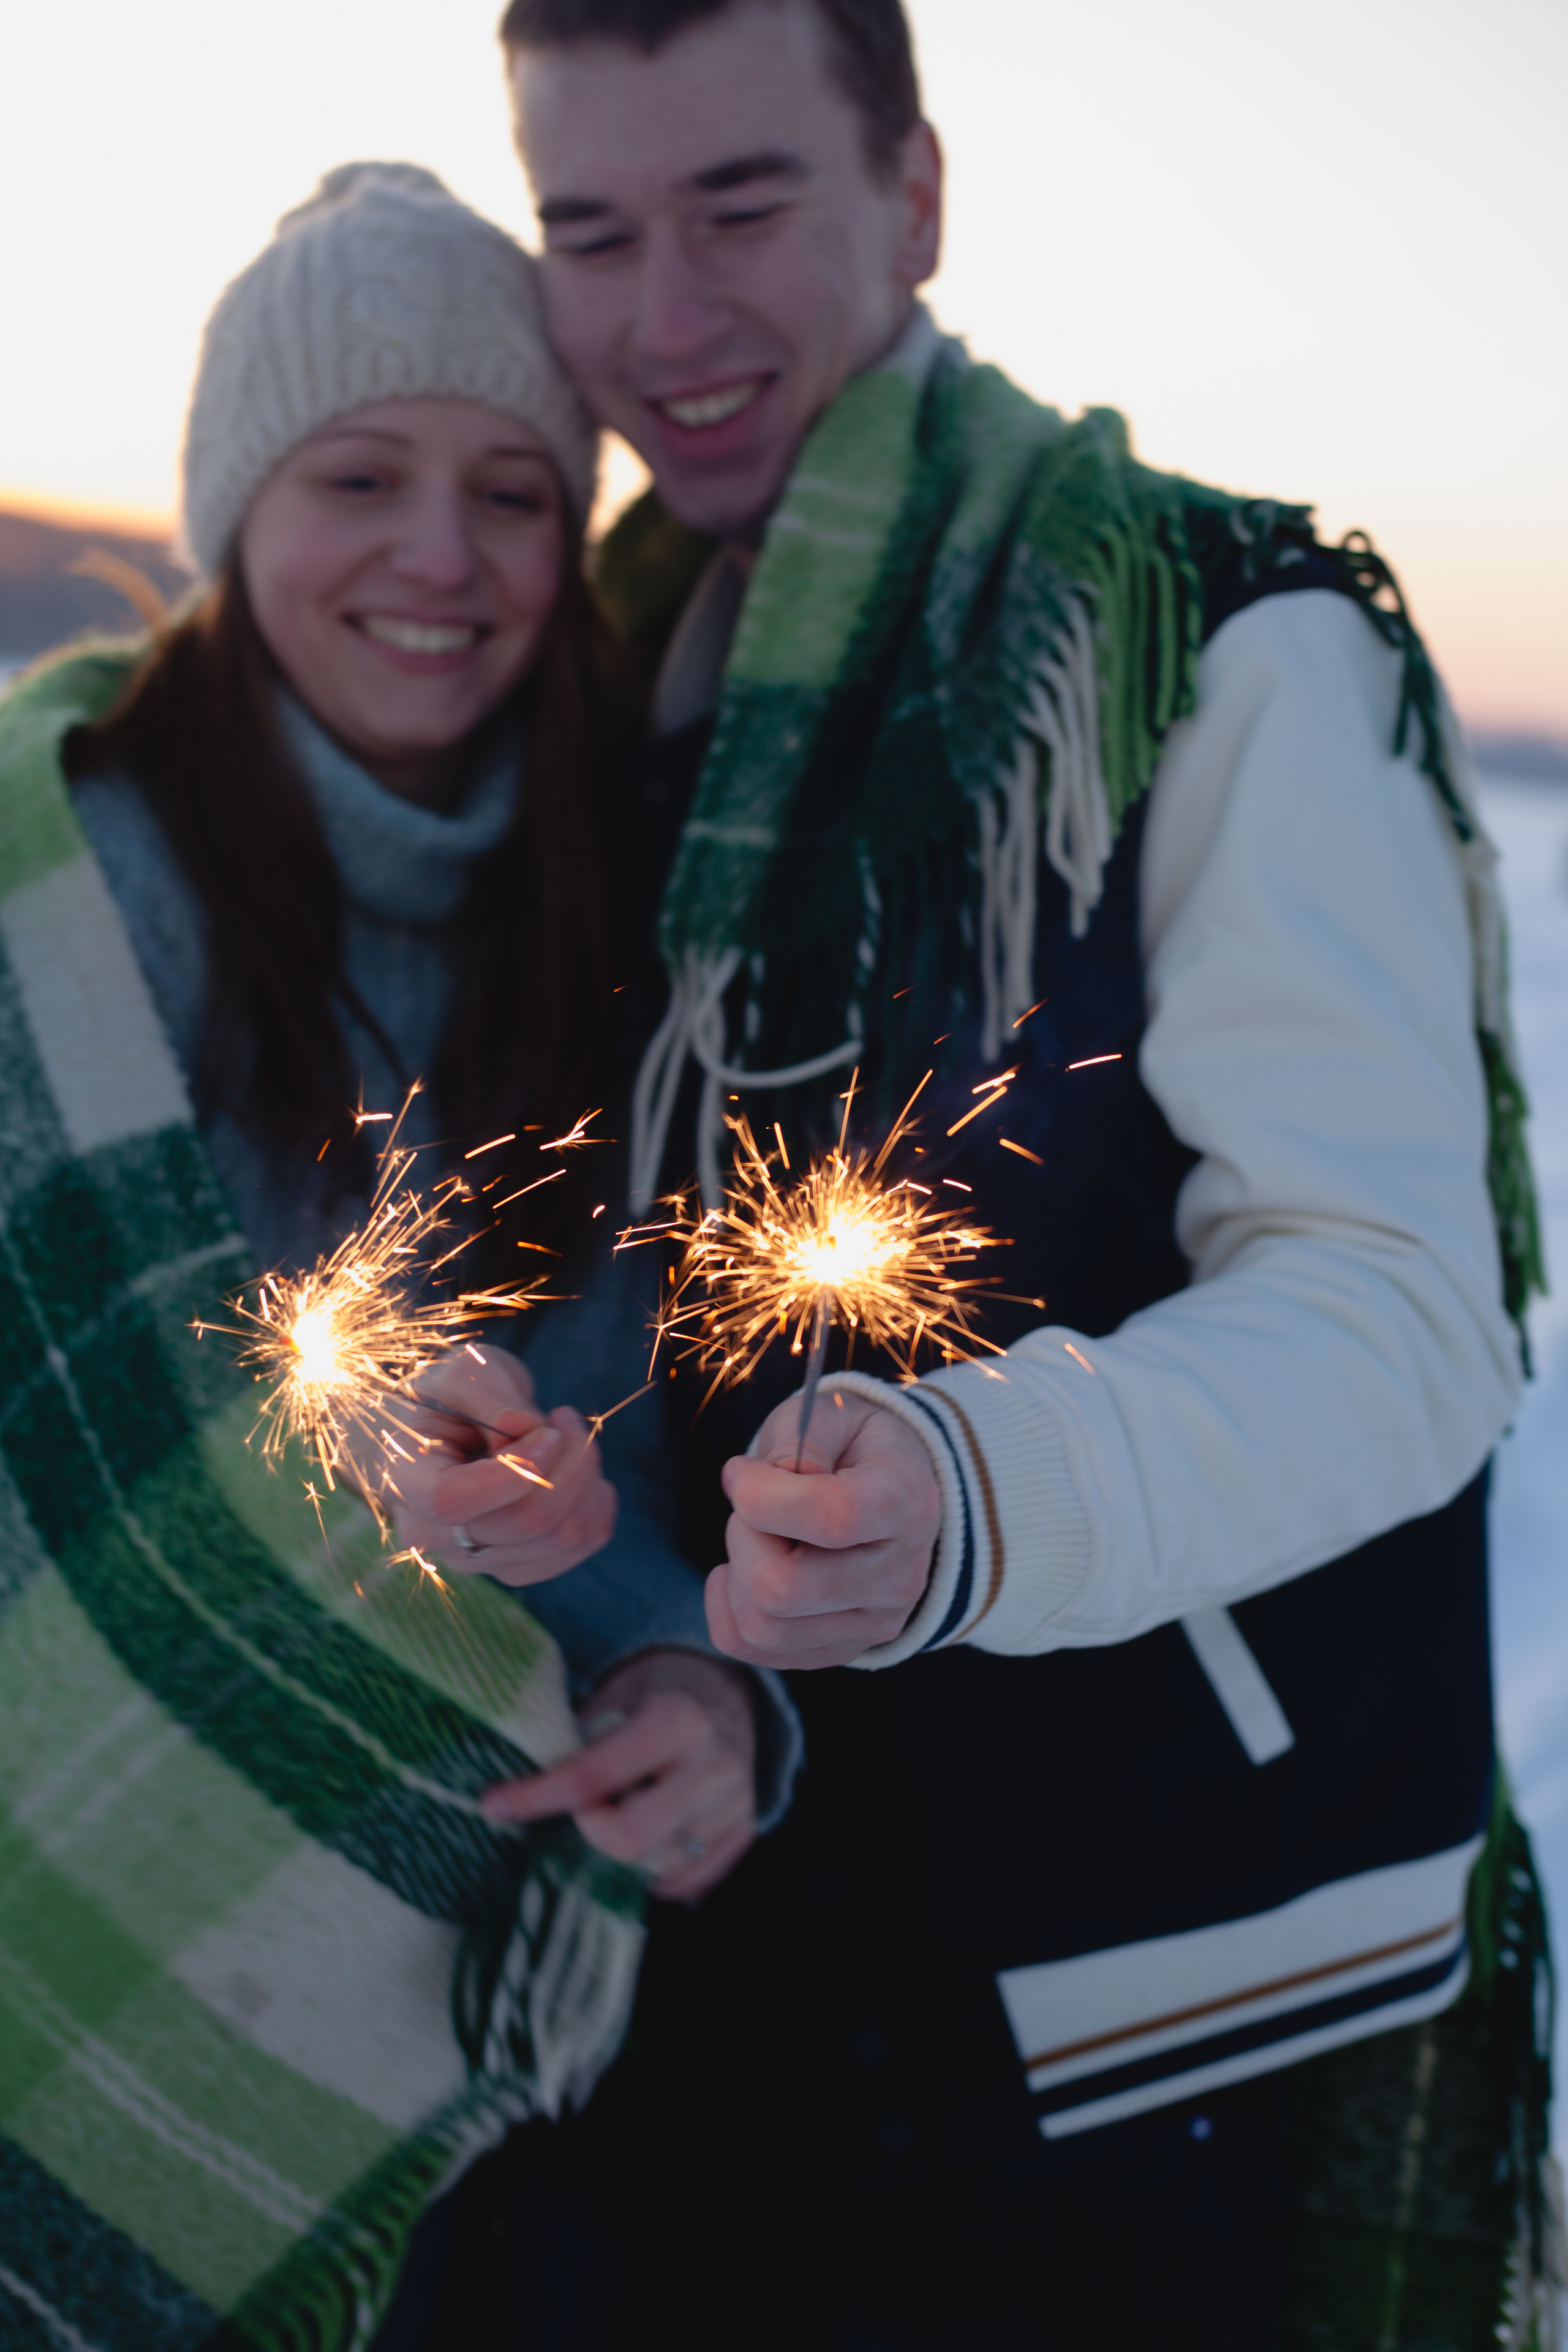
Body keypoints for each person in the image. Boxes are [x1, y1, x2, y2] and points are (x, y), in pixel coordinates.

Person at [436, 2, 1555, 2344]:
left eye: (742, 206)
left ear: (914, 198)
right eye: (593, 230)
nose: (665, 322)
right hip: (703, 1947)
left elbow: (1397, 1306)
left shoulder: (1203, 640)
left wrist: (979, 1491)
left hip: (1159, 2016)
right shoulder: (584, 682)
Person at [0, 160, 796, 2351]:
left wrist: (672, 1678)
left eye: (515, 493)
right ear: (234, 505)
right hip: (60, 1931)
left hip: (409, 2050)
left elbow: (626, 1479)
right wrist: (299, 1475)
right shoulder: (48, 886)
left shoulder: (626, 939)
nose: (441, 557)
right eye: (362, 474)